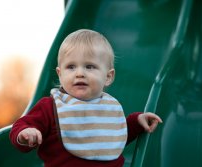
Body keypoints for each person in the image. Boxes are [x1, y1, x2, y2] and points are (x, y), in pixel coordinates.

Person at [9, 29, 162, 167]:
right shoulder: (51, 106)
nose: (79, 73)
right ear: (60, 74)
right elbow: (21, 126)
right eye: (71, 67)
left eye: (89, 66)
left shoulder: (108, 107)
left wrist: (136, 122)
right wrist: (26, 133)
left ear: (108, 77)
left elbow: (110, 138)